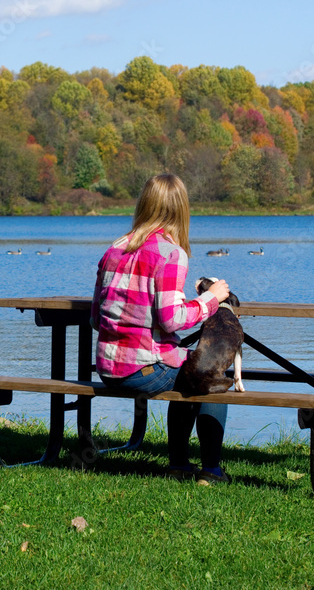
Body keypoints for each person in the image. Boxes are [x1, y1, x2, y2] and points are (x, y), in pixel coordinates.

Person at [90, 173, 231, 482]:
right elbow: (171, 319)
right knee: (212, 377)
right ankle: (211, 470)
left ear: (144, 204)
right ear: (182, 209)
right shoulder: (170, 254)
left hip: (106, 367)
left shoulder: (114, 249)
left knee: (186, 370)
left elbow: (94, 319)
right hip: (140, 370)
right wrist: (211, 299)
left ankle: (180, 465)